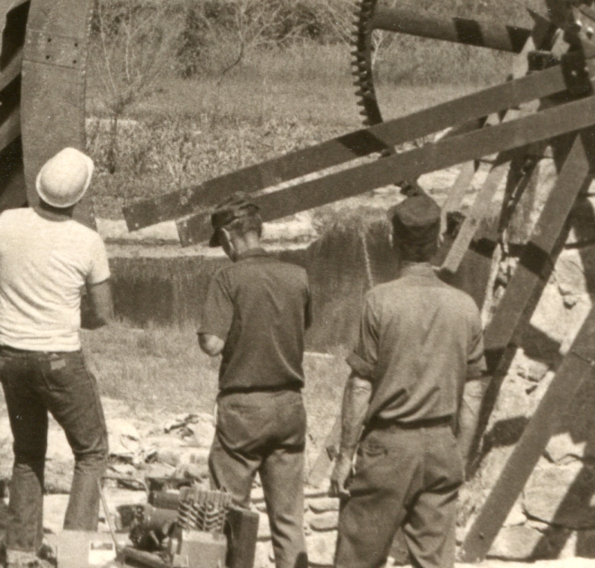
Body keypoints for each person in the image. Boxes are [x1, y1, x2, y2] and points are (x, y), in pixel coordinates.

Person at [0, 147, 112, 562]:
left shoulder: (5, 223)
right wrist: (65, 314)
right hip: (59, 359)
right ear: (80, 196)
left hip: (9, 354)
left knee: (28, 452)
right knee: (91, 451)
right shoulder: (88, 241)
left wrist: (13, 301)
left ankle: (19, 550)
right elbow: (103, 314)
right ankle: (75, 555)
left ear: (40, 184)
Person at [330, 193, 486, 568]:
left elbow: (361, 386)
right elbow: (473, 392)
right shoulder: (465, 306)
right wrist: (459, 457)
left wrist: (346, 455)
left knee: (356, 559)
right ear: (438, 241)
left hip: (389, 448)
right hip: (441, 448)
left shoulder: (379, 301)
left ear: (392, 239)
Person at [198, 199, 312, 568]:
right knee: (289, 519)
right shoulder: (298, 276)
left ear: (227, 236)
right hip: (290, 406)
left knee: (230, 515)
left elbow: (211, 344)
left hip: (243, 410)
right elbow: (301, 326)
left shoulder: (228, 278)